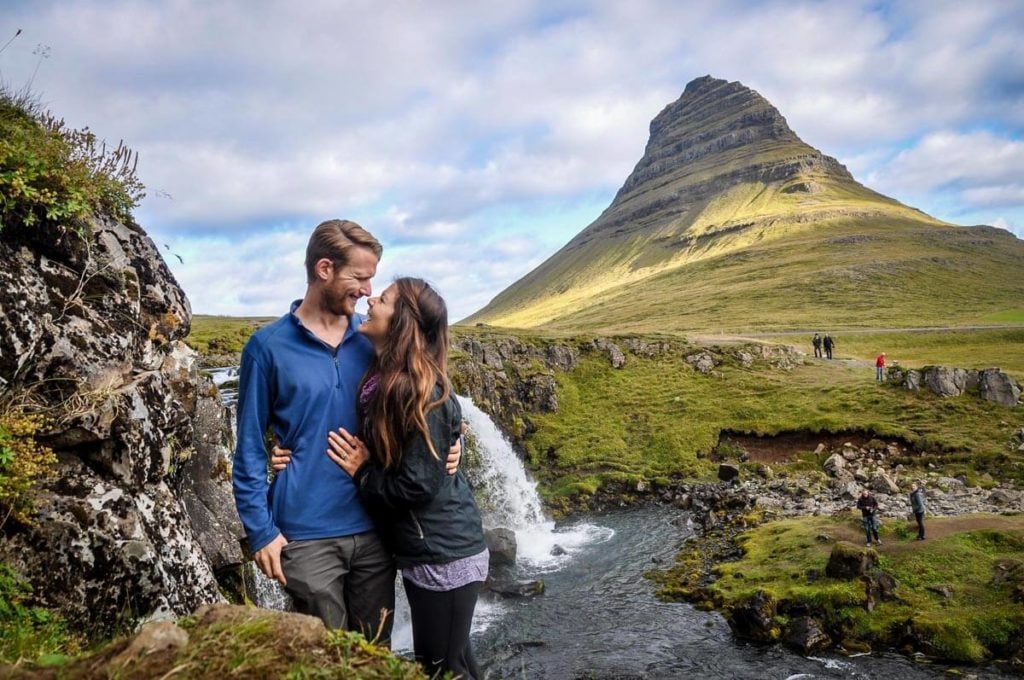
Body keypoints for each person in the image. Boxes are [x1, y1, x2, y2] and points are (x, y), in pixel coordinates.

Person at [232, 219, 460, 639]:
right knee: (326, 659)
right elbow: (247, 447)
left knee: (376, 655)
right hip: (305, 536)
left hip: (377, 531)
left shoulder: (374, 337)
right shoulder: (266, 348)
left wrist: (452, 441)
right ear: (324, 270)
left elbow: (426, 394)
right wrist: (261, 531)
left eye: (373, 280)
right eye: (360, 277)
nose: (368, 291)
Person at [329, 277, 488, 680]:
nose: (369, 301)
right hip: (431, 548)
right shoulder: (392, 380)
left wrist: (362, 472)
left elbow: (416, 485)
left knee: (441, 669)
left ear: (401, 321)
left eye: (381, 299)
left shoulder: (416, 390)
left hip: (443, 551)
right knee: (457, 662)